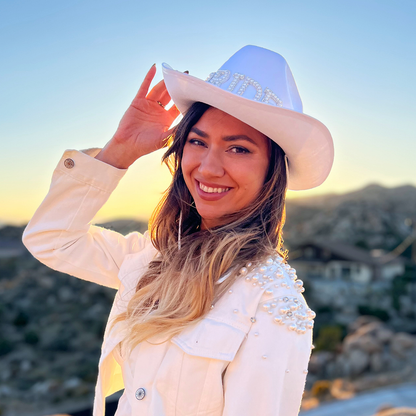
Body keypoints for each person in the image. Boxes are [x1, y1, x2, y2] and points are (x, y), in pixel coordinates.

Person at [22, 45, 334, 416]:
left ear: (272, 171)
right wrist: (119, 150)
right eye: (198, 142)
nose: (207, 167)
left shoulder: (272, 303)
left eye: (238, 150)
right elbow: (52, 239)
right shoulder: (151, 258)